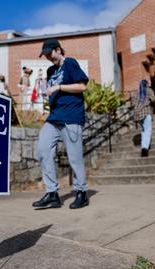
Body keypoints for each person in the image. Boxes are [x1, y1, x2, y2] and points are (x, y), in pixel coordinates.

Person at [32, 38, 89, 209]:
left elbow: (82, 86)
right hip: (54, 117)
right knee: (42, 150)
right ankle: (52, 194)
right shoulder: (50, 70)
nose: (48, 57)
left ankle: (81, 193)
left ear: (58, 49)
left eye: (49, 53)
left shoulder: (70, 63)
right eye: (45, 55)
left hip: (71, 116)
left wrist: (59, 87)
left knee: (75, 157)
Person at [132, 78, 155, 157]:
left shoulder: (136, 93)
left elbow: (133, 103)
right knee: (148, 131)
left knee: (143, 131)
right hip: (146, 112)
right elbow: (154, 99)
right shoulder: (148, 90)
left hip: (138, 115)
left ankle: (145, 146)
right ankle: (144, 149)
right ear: (146, 84)